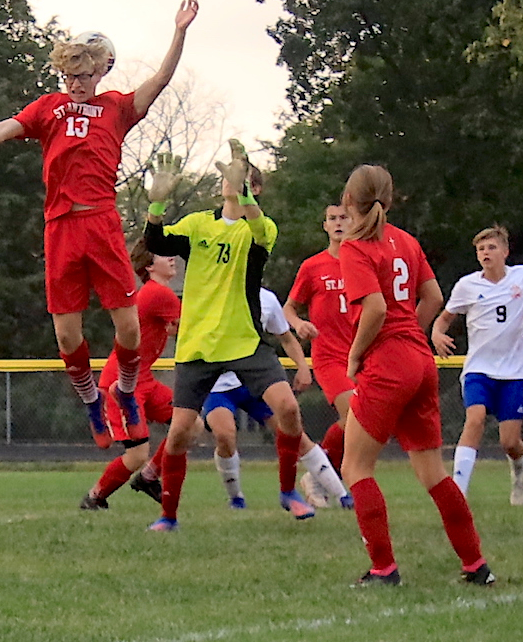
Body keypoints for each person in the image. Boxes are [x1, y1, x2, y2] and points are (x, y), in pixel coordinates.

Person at [0, 0, 199, 446]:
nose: (76, 84)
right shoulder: (48, 108)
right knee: (67, 334)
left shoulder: (117, 108)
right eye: (69, 76)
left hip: (102, 223)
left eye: (84, 76)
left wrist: (180, 31)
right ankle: (92, 400)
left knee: (129, 327)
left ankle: (125, 391)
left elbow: (161, 79)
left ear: (101, 72)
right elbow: (0, 129)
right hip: (61, 228)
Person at [139, 152, 316, 533]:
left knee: (288, 408)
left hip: (244, 342)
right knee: (179, 433)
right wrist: (157, 204)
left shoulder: (259, 228)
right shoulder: (199, 224)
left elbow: (258, 230)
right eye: (229, 177)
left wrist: (244, 193)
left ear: (255, 189)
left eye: (242, 178)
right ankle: (168, 516)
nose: (230, 181)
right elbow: (155, 241)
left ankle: (288, 492)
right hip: (198, 346)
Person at [334, 164, 492, 587]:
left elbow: (375, 309)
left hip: (388, 363)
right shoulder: (405, 241)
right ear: (390, 198)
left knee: (356, 467)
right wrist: (410, 337)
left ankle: (383, 569)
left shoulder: (355, 247)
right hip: (420, 361)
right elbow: (434, 297)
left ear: (348, 200)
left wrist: (355, 356)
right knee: (433, 472)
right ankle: (476, 565)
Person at [433, 227, 523, 505]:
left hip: (513, 372)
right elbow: (445, 318)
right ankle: (458, 492)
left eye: (491, 247)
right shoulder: (467, 285)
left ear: (505, 252)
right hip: (478, 369)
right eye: (481, 249)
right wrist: (437, 333)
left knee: (509, 442)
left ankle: (519, 470)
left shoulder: (522, 276)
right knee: (474, 419)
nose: (486, 253)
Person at [195, 286, 336, 516]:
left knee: (292, 427)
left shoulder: (266, 298)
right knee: (224, 436)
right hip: (218, 386)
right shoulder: (213, 293)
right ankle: (236, 498)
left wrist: (302, 367)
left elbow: (286, 338)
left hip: (252, 383)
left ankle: (341, 494)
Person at [82, 246, 183, 509]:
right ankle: (94, 497)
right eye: (164, 254)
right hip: (122, 383)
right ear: (149, 266)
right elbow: (190, 327)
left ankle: (148, 477)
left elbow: (171, 327)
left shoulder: (156, 294)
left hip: (143, 378)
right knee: (137, 454)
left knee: (189, 423)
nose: (172, 257)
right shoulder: (159, 293)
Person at [282, 201, 359, 509]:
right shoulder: (313, 266)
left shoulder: (365, 263)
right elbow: (289, 308)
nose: (338, 223)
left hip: (361, 356)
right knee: (354, 414)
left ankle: (321, 471)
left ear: (355, 222)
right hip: (329, 357)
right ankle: (320, 474)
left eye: (344, 217)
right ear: (325, 226)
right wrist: (299, 324)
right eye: (332, 218)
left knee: (364, 422)